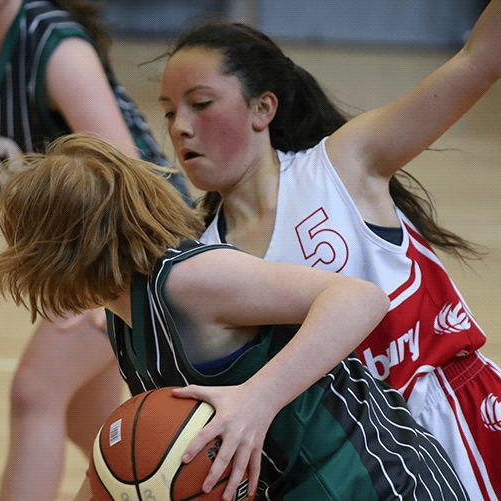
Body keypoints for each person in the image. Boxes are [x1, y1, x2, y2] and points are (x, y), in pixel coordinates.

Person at [0, 133, 470, 501]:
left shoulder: (188, 280)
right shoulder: (123, 315)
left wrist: (258, 397)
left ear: (55, 250)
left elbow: (359, 298)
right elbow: (147, 448)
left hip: (378, 476)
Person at [156, 1, 501, 498]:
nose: (179, 127)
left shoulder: (343, 164)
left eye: (201, 103)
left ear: (263, 108)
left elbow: (480, 58)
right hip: (365, 462)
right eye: (169, 112)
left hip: (455, 413)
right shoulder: (202, 259)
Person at [0, 0, 189, 499]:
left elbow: (126, 173)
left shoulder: (58, 50)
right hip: (77, 264)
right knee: (90, 423)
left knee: (34, 394)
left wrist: (104, 292)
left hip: (137, 249)